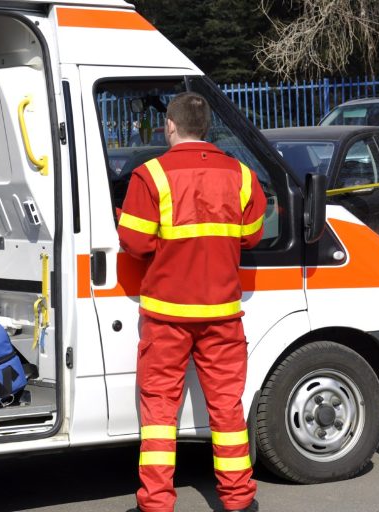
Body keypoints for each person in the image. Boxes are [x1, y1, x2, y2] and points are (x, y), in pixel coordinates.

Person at [117, 92, 266, 512]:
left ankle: (157, 503)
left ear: (169, 125)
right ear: (207, 129)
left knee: (161, 413)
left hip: (167, 316)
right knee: (226, 410)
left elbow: (134, 242)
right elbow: (252, 234)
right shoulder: (240, 174)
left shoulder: (151, 176)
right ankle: (239, 501)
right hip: (221, 314)